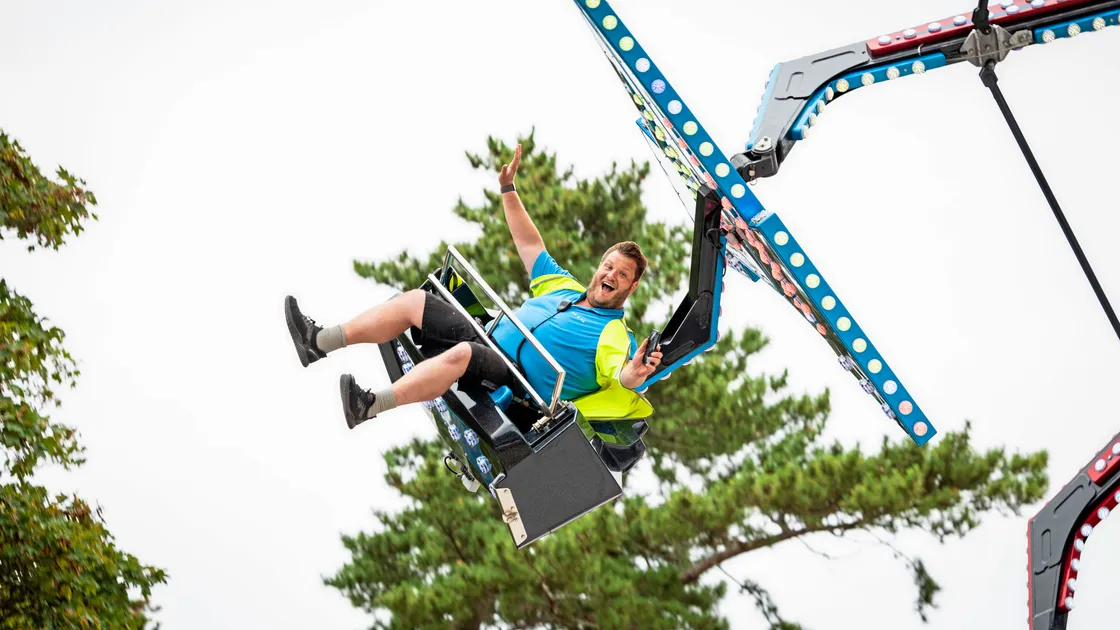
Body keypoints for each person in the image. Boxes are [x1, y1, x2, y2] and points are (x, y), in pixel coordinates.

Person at [284, 143, 662, 430]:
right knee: (418, 299)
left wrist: (636, 372)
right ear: (599, 267)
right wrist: (508, 189)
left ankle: (368, 405)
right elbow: (530, 244)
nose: (611, 276)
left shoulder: (614, 334)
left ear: (631, 287)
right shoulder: (564, 288)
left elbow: (624, 376)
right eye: (609, 266)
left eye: (622, 275)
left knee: (465, 353)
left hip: (518, 386)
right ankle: (319, 341)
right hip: (487, 334)